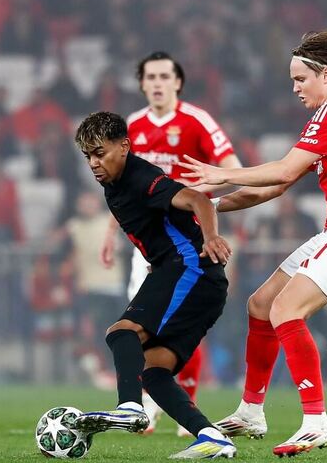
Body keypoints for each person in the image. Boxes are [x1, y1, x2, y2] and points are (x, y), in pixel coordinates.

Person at [179, 30, 327, 457]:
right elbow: (276, 187)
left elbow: (280, 171)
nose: (294, 88)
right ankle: (251, 411)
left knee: (284, 310)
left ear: (326, 74)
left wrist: (221, 174)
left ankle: (317, 421)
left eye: (300, 79)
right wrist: (209, 206)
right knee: (261, 304)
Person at [71, 111, 236, 460]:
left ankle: (130, 408)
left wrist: (210, 238)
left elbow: (198, 199)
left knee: (121, 333)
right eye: (87, 156)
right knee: (153, 371)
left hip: (191, 269)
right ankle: (212, 437)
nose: (93, 163)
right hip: (183, 273)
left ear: (124, 147)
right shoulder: (113, 184)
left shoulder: (141, 177)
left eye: (100, 153)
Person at [100, 51, 243, 436]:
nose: (159, 82)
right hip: (147, 241)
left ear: (178, 82)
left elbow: (232, 170)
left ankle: (161, 404)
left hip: (189, 232)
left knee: (155, 321)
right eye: (151, 76)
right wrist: (112, 233)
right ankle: (150, 403)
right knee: (148, 326)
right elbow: (123, 191)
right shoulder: (131, 126)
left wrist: (193, 195)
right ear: (143, 84)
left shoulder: (196, 121)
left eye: (166, 75)